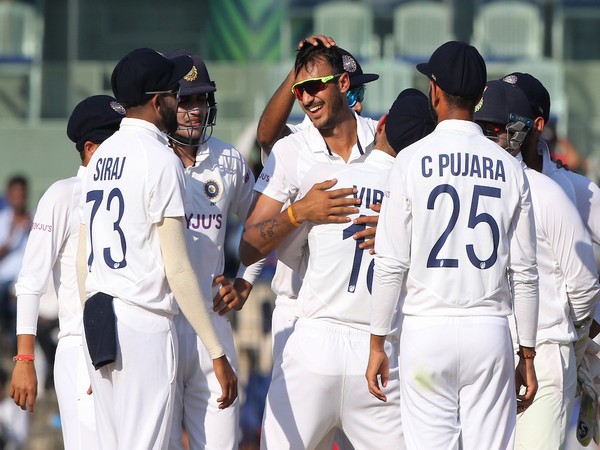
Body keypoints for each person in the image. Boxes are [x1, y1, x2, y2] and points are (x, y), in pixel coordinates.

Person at [366, 41, 539, 450]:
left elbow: (391, 262)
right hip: (489, 331)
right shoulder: (510, 167)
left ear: (435, 91)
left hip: (426, 332)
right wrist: (527, 355)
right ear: (480, 99)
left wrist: (376, 342)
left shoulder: (410, 159)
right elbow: (526, 273)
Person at [76, 48, 237, 449]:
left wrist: (87, 337)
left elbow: (83, 260)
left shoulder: (100, 157)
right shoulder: (160, 159)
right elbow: (178, 269)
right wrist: (217, 353)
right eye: (172, 94)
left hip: (98, 314)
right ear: (156, 101)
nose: (177, 102)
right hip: (142, 323)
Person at [261, 88, 434, 449]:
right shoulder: (419, 204)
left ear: (382, 125)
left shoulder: (325, 177)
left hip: (315, 344)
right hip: (380, 354)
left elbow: (292, 257)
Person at [474, 79, 600, 450]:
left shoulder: (568, 189)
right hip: (491, 346)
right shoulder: (475, 183)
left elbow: (584, 284)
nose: (489, 137)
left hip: (549, 348)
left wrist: (578, 337)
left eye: (496, 129)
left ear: (530, 127)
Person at [9, 95, 124, 449]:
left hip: (130, 344)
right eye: (115, 140)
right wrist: (25, 358)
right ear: (90, 148)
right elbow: (30, 280)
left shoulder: (134, 189)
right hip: (80, 345)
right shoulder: (63, 195)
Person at [164, 49, 262, 450]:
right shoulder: (147, 158)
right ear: (164, 102)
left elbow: (264, 225)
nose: (196, 110)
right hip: (159, 322)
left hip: (212, 324)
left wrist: (246, 280)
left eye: (202, 99)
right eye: (186, 100)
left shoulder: (228, 159)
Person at [256, 35, 379, 156]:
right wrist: (302, 64)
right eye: (350, 97)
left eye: (359, 94)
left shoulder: (380, 136)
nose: (358, 106)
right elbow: (267, 138)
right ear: (342, 85)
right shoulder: (297, 141)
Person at [0, 175, 31, 348]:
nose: (19, 199)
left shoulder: (35, 219)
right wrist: (11, 238)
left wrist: (30, 230)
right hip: (4, 280)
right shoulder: (3, 220)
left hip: (25, 278)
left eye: (22, 195)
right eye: (15, 195)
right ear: (9, 196)